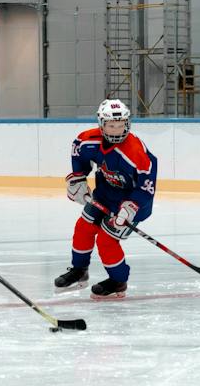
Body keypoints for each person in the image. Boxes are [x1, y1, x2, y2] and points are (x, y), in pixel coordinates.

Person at [54, 99, 157, 299]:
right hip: (104, 194)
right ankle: (79, 271)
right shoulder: (87, 140)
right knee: (83, 227)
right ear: (102, 124)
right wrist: (78, 180)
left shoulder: (136, 152)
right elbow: (79, 157)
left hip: (134, 202)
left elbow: (147, 188)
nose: (117, 130)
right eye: (111, 125)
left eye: (121, 125)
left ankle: (118, 281)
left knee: (106, 239)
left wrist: (130, 207)